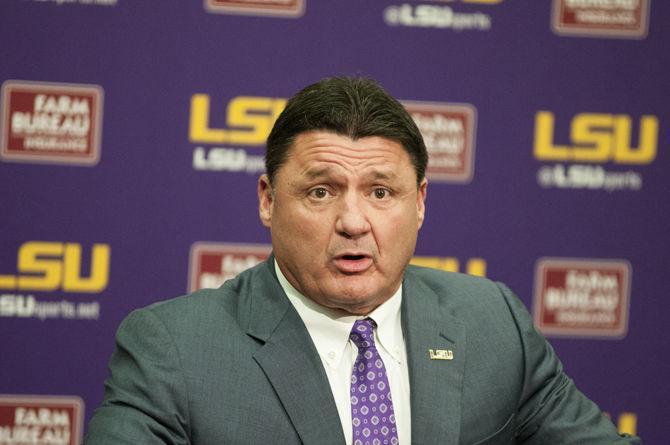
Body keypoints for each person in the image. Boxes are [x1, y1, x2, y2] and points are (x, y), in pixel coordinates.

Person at [85, 77, 641, 444]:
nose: (354, 223)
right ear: (267, 200)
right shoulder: (175, 349)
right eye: (321, 192)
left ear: (419, 203)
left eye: (381, 193)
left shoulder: (492, 321)